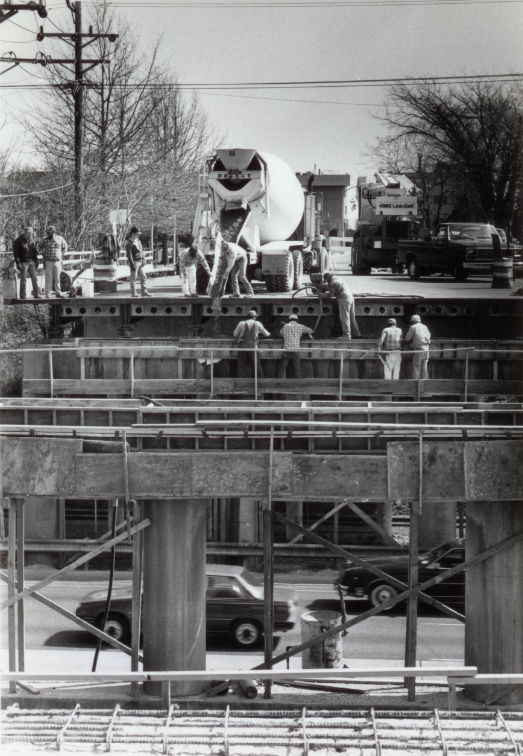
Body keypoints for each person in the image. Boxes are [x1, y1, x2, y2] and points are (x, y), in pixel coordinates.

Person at [322, 273, 361, 340]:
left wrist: (322, 295)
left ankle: (347, 336)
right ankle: (357, 334)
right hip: (350, 297)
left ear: (326, 279)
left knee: (344, 318)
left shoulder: (332, 283)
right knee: (352, 317)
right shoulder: (338, 279)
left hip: (344, 299)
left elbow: (331, 295)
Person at [233, 309, 270, 378]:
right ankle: (259, 383)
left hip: (242, 348)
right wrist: (270, 334)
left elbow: (235, 334)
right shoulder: (258, 323)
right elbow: (266, 334)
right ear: (254, 317)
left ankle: (241, 384)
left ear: (247, 317)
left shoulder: (241, 323)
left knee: (241, 367)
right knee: (257, 366)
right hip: (253, 348)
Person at [278, 314, 314, 378]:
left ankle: (278, 382)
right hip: (296, 350)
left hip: (286, 350)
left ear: (289, 319)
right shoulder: (300, 326)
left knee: (282, 368)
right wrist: (303, 333)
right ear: (297, 320)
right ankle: (297, 383)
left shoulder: (285, 326)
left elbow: (281, 333)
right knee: (296, 369)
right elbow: (311, 331)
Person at [39, 225, 67, 298]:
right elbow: (39, 247)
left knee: (57, 278)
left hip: (58, 261)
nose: (48, 233)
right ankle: (48, 294)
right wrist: (43, 254)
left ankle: (58, 293)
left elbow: (65, 247)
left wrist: (62, 255)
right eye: (47, 232)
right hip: (48, 261)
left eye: (50, 232)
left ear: (54, 231)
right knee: (48, 278)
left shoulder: (60, 239)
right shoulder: (44, 239)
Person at [13, 226, 40, 299]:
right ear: (26, 233)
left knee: (35, 278)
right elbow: (16, 253)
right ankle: (23, 295)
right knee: (23, 279)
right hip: (23, 262)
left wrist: (36, 260)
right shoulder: (18, 241)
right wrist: (18, 263)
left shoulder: (32, 241)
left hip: (31, 262)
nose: (31, 234)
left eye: (32, 233)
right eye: (30, 233)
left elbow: (34, 252)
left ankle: (36, 294)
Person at [125, 226, 151, 297]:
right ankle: (133, 292)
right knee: (133, 278)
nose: (138, 235)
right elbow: (129, 255)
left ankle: (144, 291)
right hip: (134, 261)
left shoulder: (139, 241)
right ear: (133, 234)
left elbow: (142, 251)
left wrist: (143, 260)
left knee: (143, 276)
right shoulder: (129, 243)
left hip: (140, 260)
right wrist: (132, 264)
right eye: (137, 234)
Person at [405, 314, 431, 379]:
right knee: (424, 368)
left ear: (413, 321)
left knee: (416, 368)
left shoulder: (413, 327)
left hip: (418, 350)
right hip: (426, 349)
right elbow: (429, 335)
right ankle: (425, 385)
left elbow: (407, 338)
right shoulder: (425, 326)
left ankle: (416, 386)